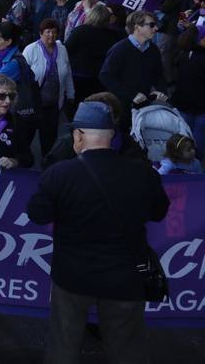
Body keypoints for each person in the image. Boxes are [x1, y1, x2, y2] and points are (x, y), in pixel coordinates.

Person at [27, 100, 170, 364]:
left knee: (64, 347)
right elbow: (159, 212)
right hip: (126, 278)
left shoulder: (60, 174)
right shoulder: (142, 174)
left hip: (72, 278)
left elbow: (37, 215)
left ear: (78, 135)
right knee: (128, 350)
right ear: (111, 136)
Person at [22, 19, 75, 161]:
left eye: (54, 32)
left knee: (49, 138)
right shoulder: (30, 49)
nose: (51, 35)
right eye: (48, 32)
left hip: (53, 104)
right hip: (33, 104)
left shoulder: (62, 49)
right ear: (40, 33)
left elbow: (67, 72)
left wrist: (70, 93)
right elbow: (22, 76)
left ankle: (47, 165)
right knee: (27, 136)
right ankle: (24, 163)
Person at [99, 11, 168, 115]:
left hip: (144, 106)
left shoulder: (153, 49)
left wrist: (162, 91)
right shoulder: (120, 49)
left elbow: (158, 75)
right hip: (122, 106)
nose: (156, 29)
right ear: (137, 27)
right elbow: (105, 76)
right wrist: (131, 94)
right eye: (151, 25)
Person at [64, 3, 122, 102]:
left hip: (78, 76)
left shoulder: (80, 31)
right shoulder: (113, 35)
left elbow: (66, 49)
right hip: (99, 78)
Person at [173, 25, 205, 159]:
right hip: (201, 105)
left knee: (185, 137)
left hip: (183, 102)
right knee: (199, 139)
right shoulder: (202, 57)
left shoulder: (183, 54)